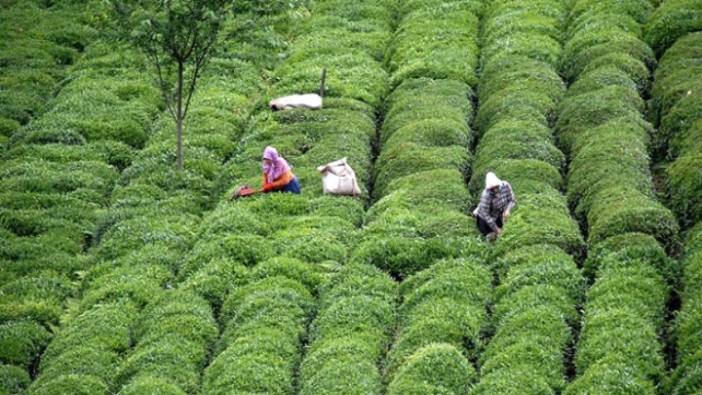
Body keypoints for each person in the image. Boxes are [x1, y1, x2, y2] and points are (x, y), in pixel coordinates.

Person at [472, 172, 516, 241]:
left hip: (497, 214)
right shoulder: (486, 195)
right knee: (491, 235)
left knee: (502, 232)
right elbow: (486, 216)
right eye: (492, 188)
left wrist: (508, 209)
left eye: (496, 187)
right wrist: (496, 229)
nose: (495, 190)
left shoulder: (505, 185)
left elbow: (512, 200)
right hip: (484, 219)